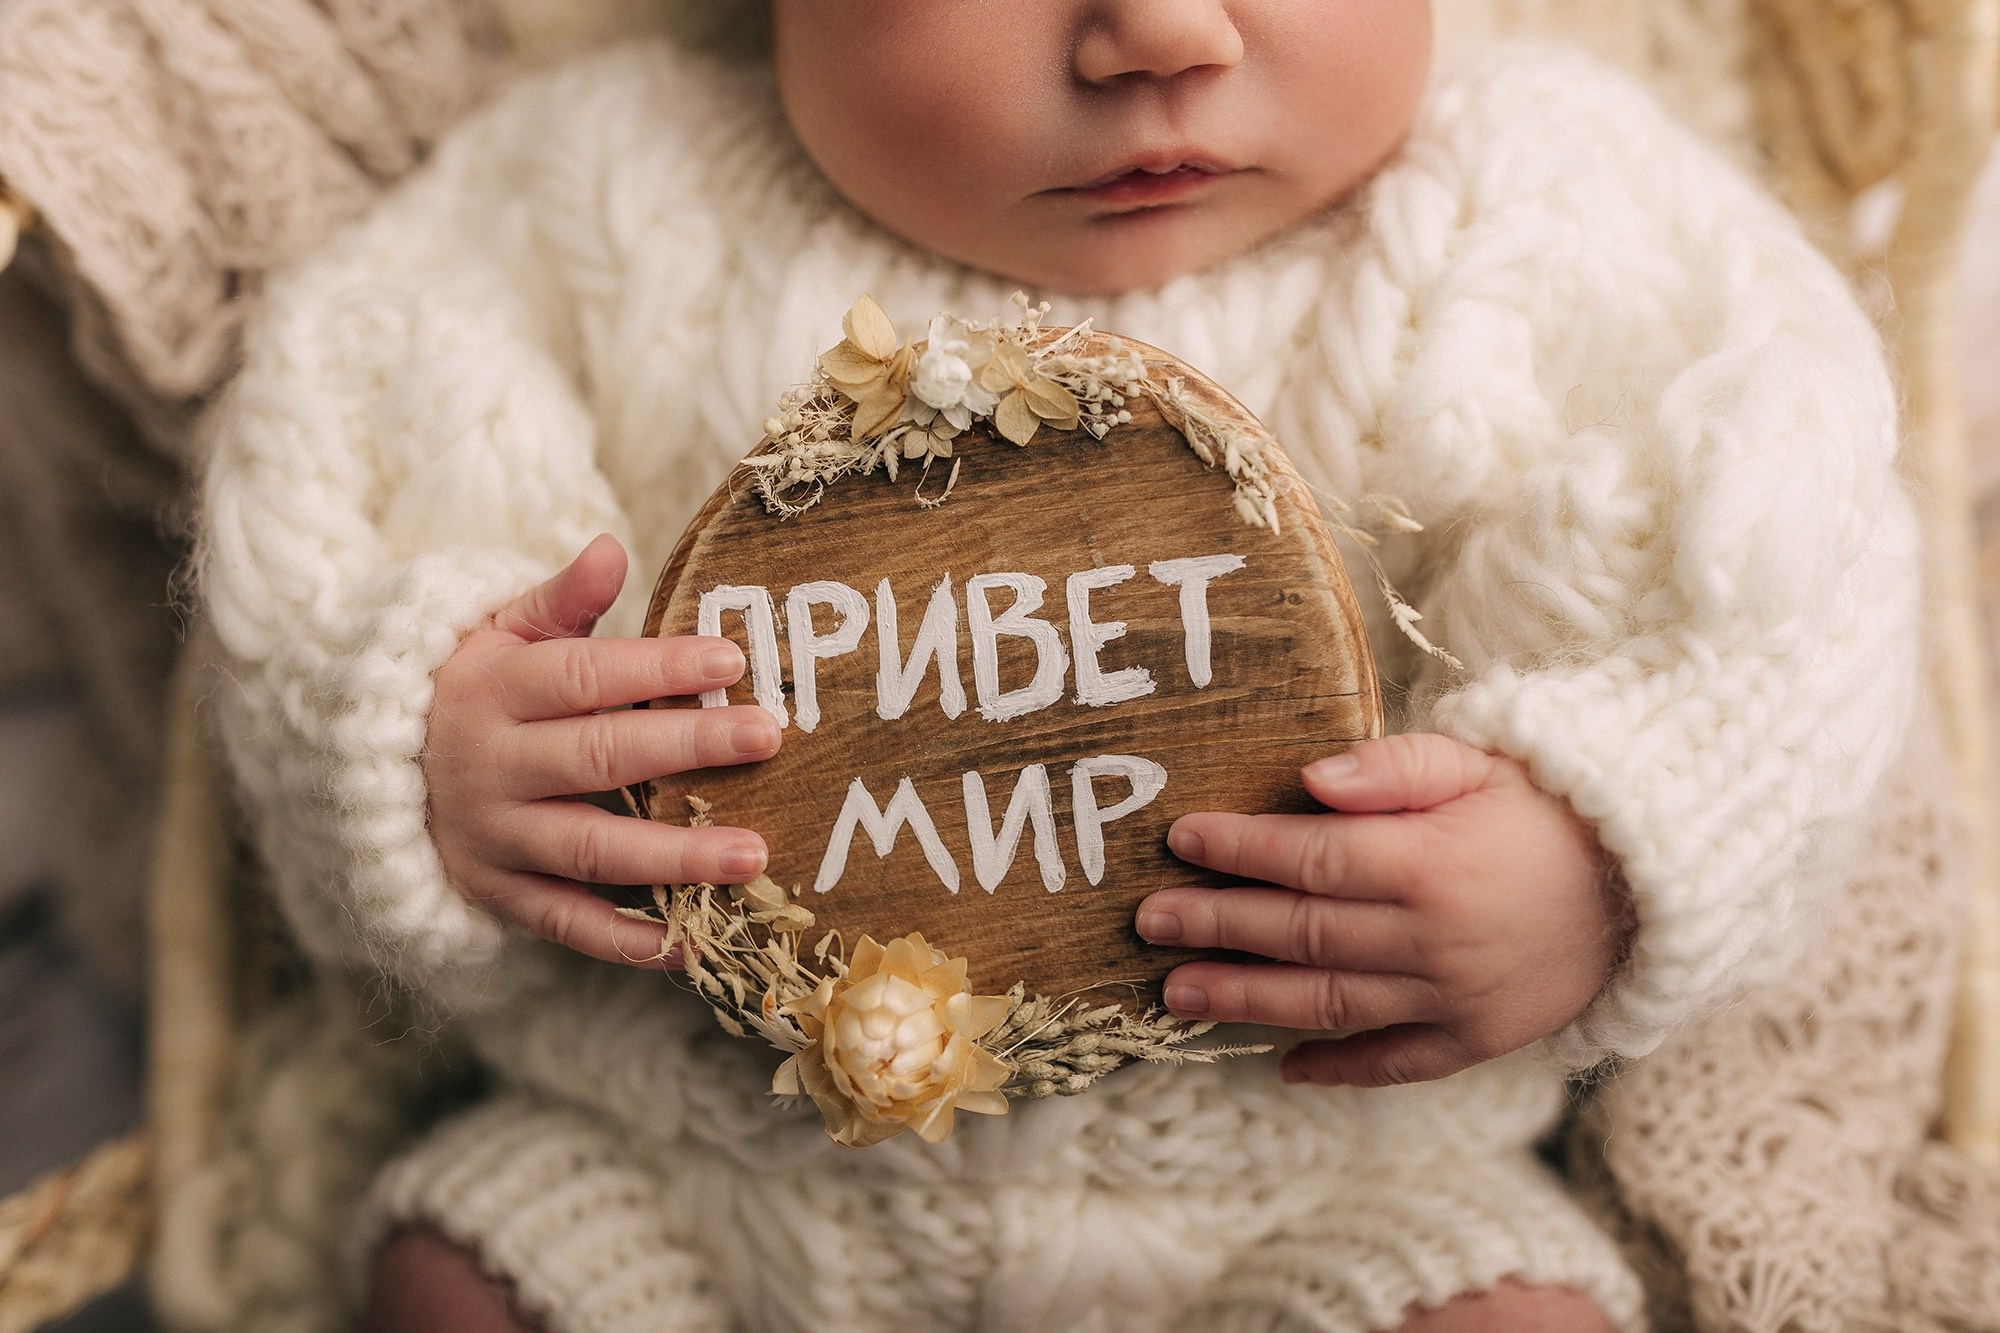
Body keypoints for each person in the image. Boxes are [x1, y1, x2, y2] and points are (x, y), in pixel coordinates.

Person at [197, 2, 1918, 1330]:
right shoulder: (584, 197)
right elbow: (330, 513)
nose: (1162, 32)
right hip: (691, 1172)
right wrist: (431, 739)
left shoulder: (1550, 206)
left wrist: (1601, 856)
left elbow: (1784, 595)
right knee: (454, 1274)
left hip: (1323, 1186)